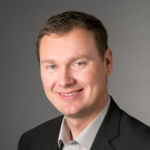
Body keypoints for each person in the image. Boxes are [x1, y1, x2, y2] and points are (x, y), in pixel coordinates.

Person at [18, 11, 150, 150]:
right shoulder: (30, 142)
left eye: (78, 63)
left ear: (107, 62)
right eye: (52, 66)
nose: (64, 81)